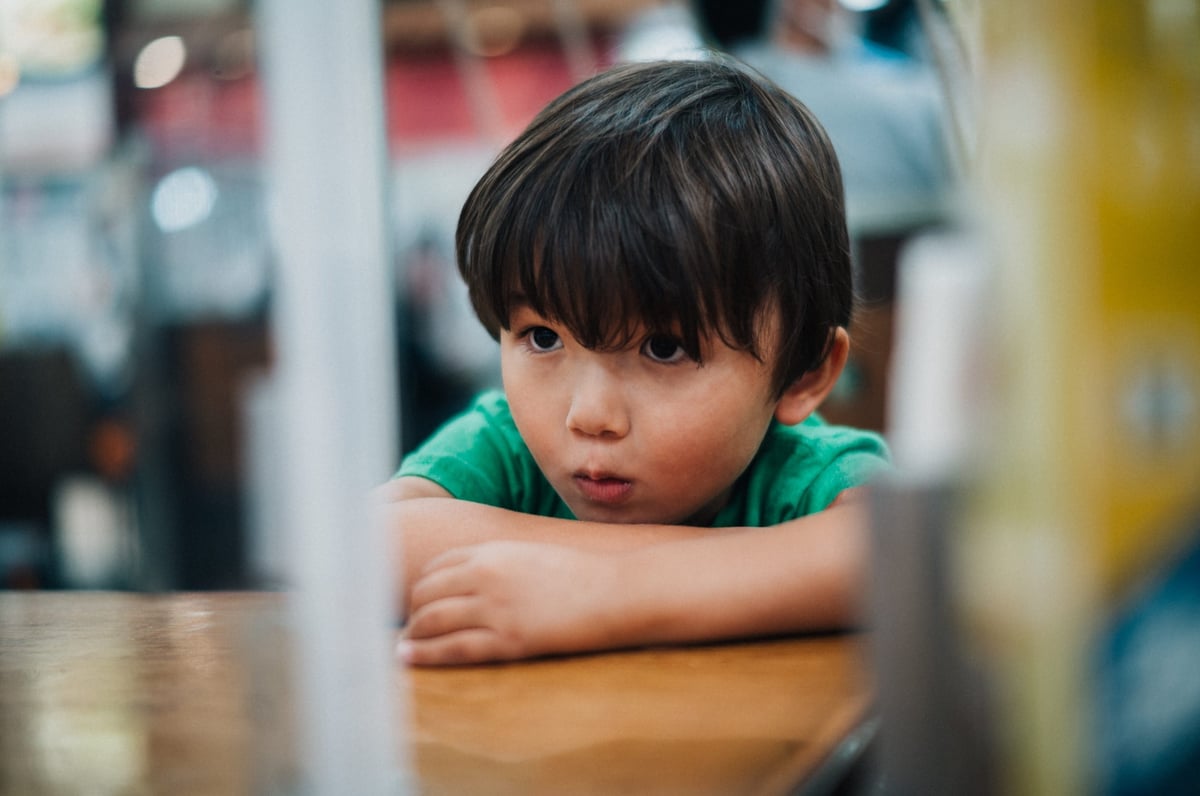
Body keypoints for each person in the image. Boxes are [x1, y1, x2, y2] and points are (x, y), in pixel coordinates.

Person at [378, 57, 890, 666]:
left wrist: (605, 595)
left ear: (804, 371)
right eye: (543, 337)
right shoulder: (505, 446)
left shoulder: (803, 476)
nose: (589, 415)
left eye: (663, 348)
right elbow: (374, 547)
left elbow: (895, 555)